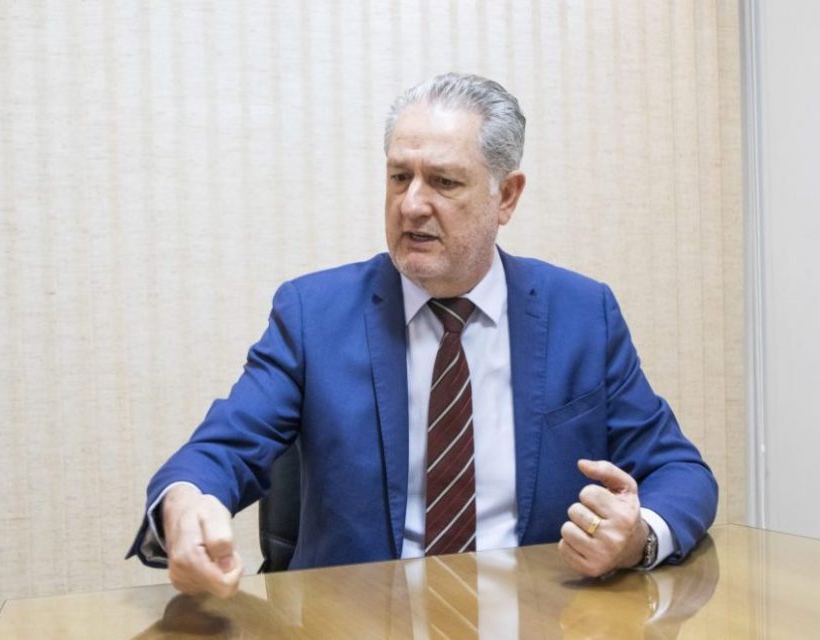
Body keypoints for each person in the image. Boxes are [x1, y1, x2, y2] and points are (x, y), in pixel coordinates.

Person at [127, 72, 718, 598]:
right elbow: (224, 447)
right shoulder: (314, 314)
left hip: (537, 616)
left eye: (444, 182)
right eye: (399, 177)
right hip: (355, 622)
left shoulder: (582, 314)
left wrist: (639, 537)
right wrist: (185, 501)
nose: (412, 205)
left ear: (506, 196)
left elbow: (680, 471)